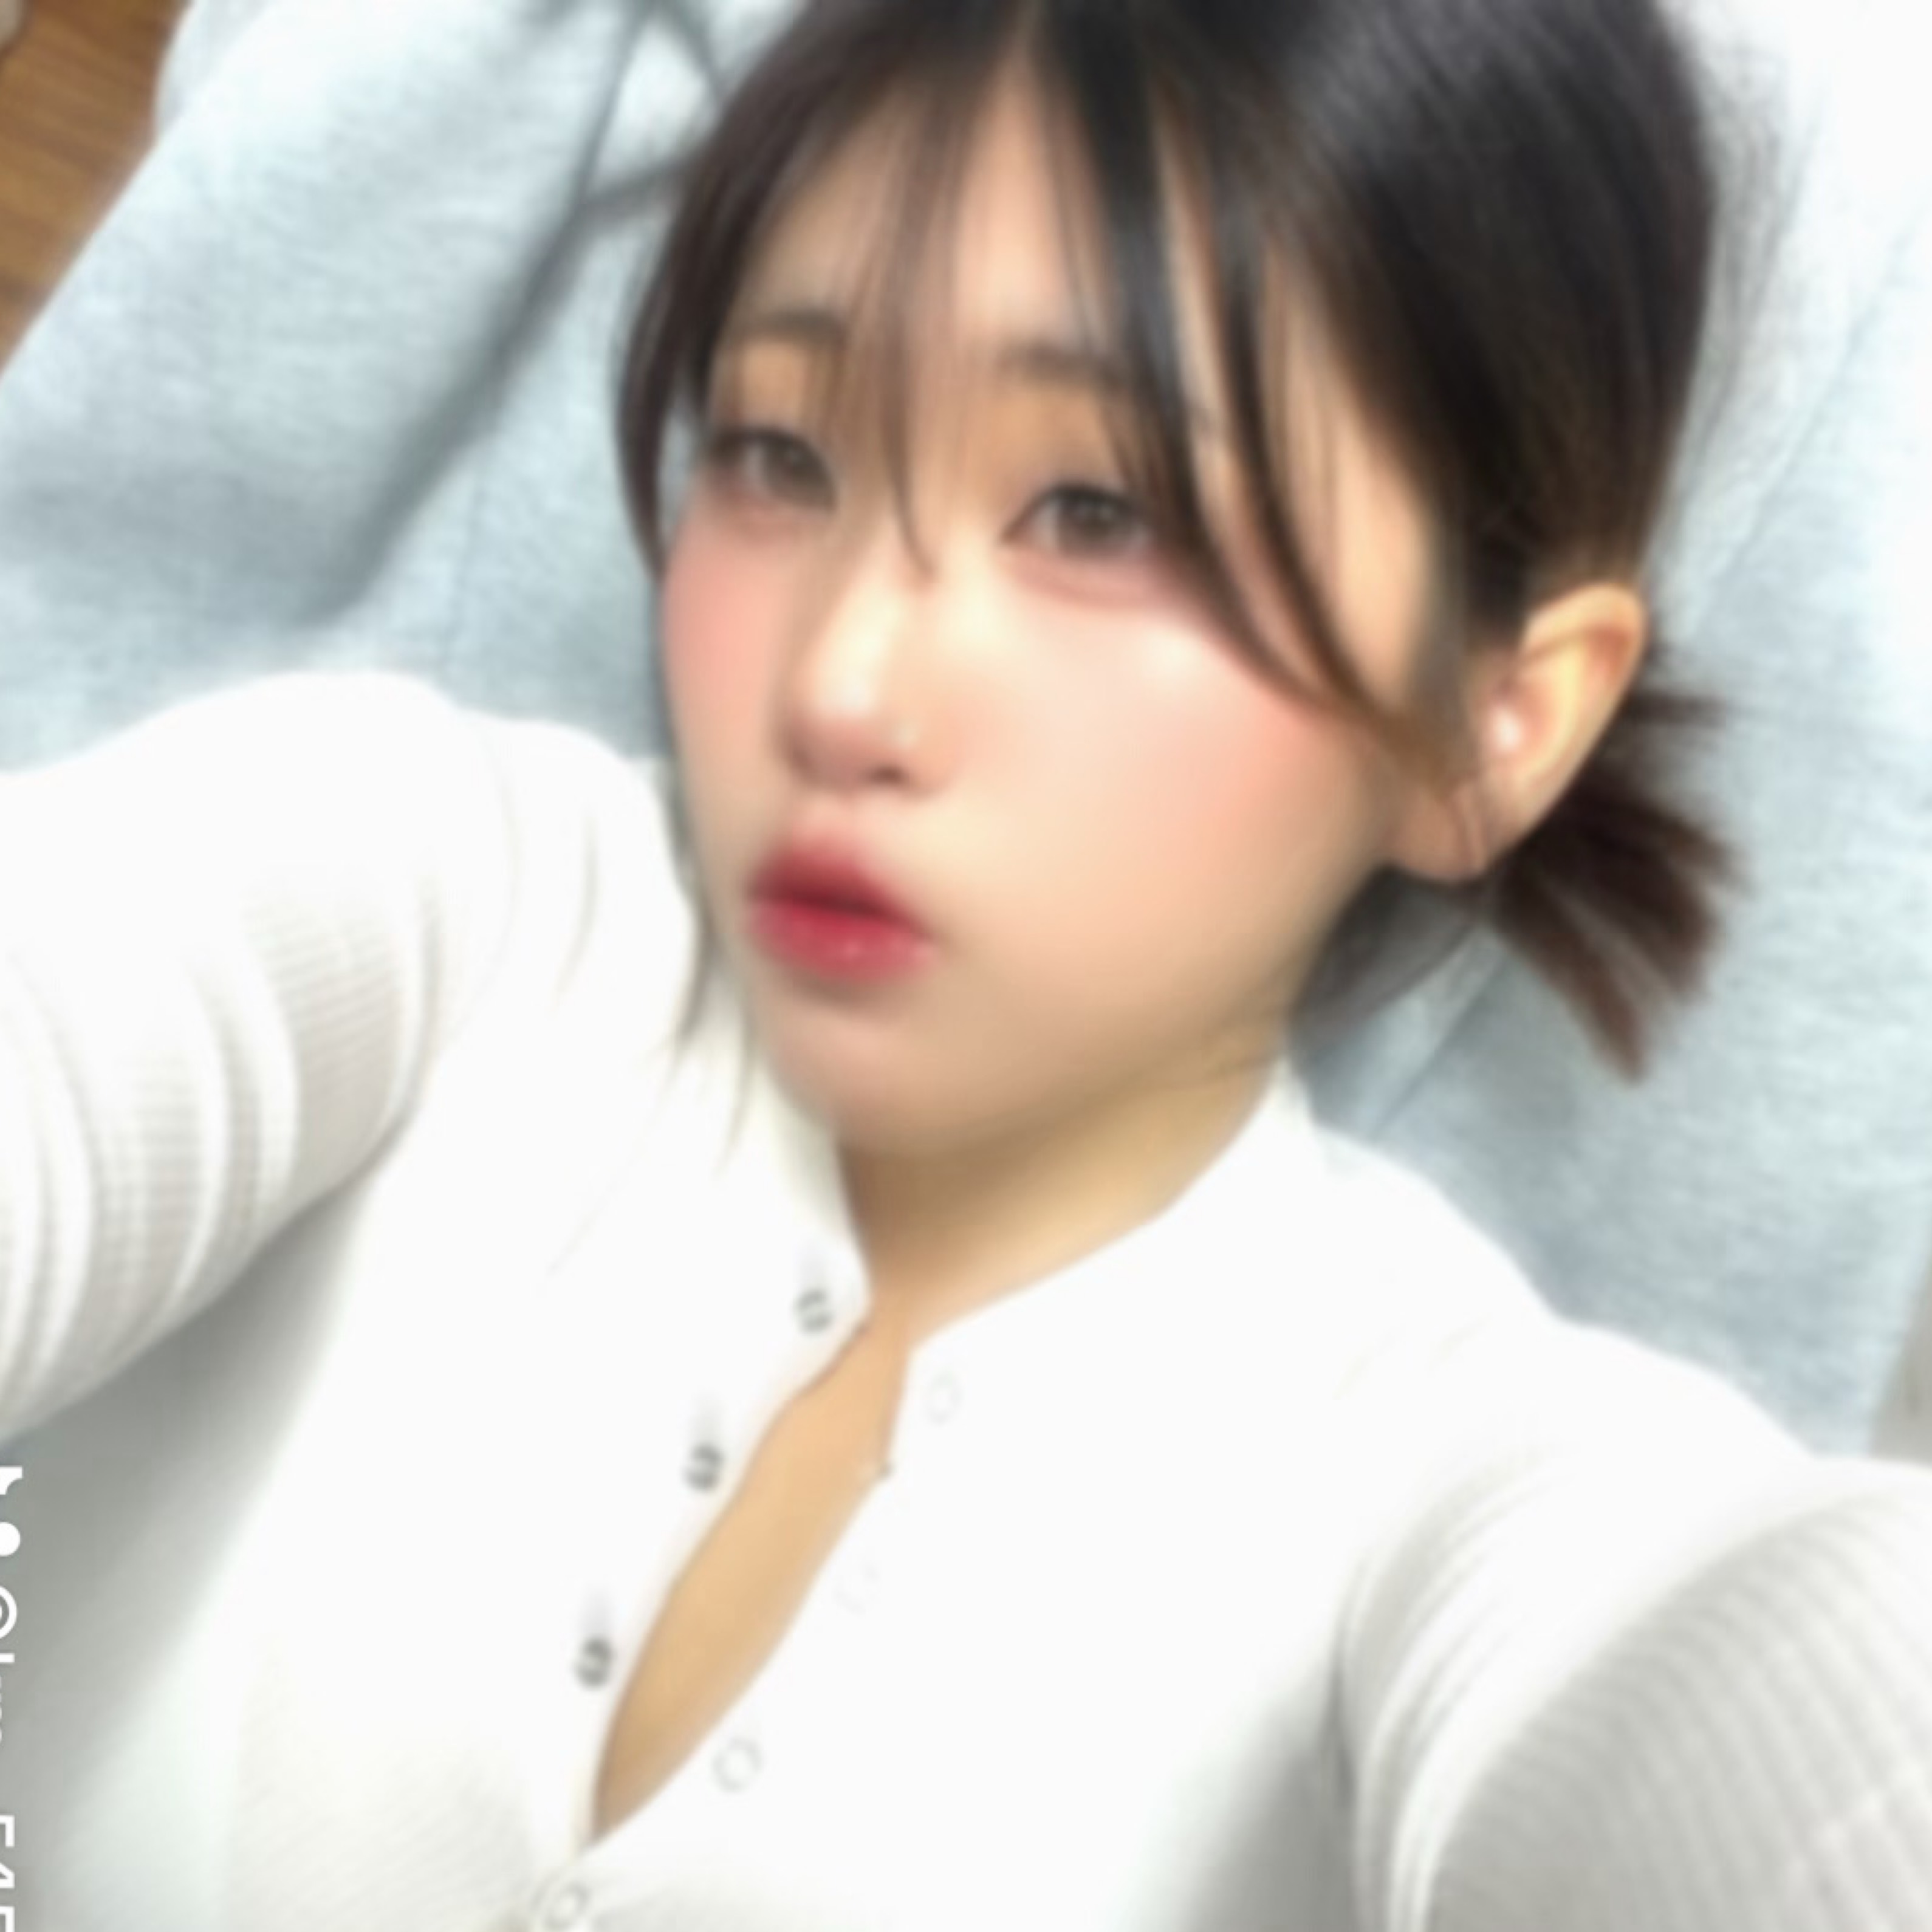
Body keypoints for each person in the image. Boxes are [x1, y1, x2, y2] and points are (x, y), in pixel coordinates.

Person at [2, 1, 1929, 1927]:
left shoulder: (1443, 1479)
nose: (839, 685)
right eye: (777, 452)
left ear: (1495, 715)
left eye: (1098, 511)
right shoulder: (440, 899)